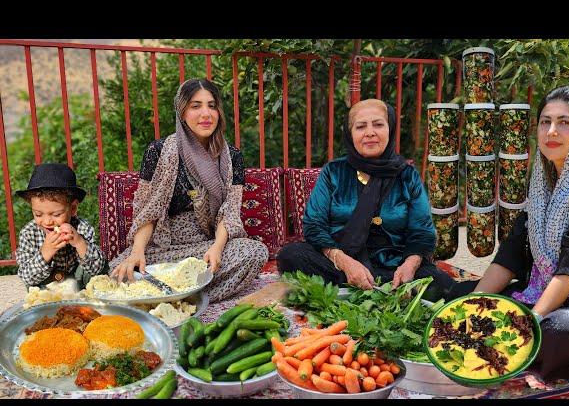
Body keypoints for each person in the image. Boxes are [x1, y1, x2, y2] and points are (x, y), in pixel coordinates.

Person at [457, 85, 569, 379]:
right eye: (546, 122)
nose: (552, 131)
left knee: (555, 331)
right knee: (459, 298)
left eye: (565, 122)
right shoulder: (544, 180)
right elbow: (513, 251)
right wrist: (470, 304)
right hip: (546, 294)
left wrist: (529, 323)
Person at [110, 78, 268, 301]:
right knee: (115, 275)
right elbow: (147, 212)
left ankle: (169, 296)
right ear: (182, 112)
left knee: (254, 253)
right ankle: (182, 293)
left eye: (211, 105)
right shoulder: (159, 151)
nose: (206, 113)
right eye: (196, 106)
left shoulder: (232, 157)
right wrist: (137, 253)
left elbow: (229, 212)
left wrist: (217, 247)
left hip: (206, 247)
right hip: (163, 250)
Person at [277, 98, 454, 295]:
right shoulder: (334, 172)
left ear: (390, 128)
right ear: (350, 134)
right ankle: (373, 287)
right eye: (361, 127)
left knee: (441, 283)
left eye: (378, 124)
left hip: (394, 266)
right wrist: (345, 262)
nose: (370, 132)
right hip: (340, 264)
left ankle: (366, 287)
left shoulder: (407, 175)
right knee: (291, 256)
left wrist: (410, 265)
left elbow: (422, 231)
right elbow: (314, 224)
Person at [15, 163, 108, 288]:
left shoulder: (82, 228)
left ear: (73, 208)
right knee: (31, 283)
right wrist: (46, 252)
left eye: (56, 214)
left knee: (101, 266)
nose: (47, 222)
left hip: (78, 285)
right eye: (38, 214)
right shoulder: (29, 233)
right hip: (46, 287)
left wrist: (80, 243)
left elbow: (97, 268)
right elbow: (26, 276)